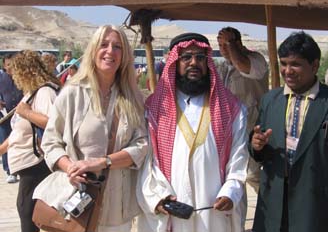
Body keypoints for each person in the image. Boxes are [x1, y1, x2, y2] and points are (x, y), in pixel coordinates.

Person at [33, 25, 148, 232]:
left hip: (117, 207)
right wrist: (70, 167)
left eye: (117, 47)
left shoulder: (133, 98)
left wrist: (103, 162)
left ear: (124, 55)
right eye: (104, 45)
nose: (110, 51)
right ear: (93, 50)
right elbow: (50, 141)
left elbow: (142, 145)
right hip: (76, 200)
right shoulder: (72, 94)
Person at [136, 33, 249, 232]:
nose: (193, 62)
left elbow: (239, 156)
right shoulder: (155, 108)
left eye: (200, 57)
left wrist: (230, 191)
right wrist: (159, 197)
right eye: (186, 57)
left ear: (208, 63)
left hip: (213, 210)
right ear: (175, 63)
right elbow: (148, 162)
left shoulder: (231, 108)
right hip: (173, 207)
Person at [250, 31, 328, 232]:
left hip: (317, 208)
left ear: (315, 65)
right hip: (274, 206)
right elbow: (261, 152)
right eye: (283, 64)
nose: (287, 71)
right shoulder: (270, 100)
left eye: (295, 64)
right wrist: (256, 145)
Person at [0, 50, 61, 232]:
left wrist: (26, 112)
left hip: (36, 163)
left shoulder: (44, 92)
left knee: (27, 211)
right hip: (25, 164)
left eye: (15, 72)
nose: (13, 77)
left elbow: (54, 123)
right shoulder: (30, 94)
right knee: (26, 209)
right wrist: (2, 149)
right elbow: (19, 131)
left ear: (26, 71)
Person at [217, 26, 269, 230]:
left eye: (227, 44)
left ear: (238, 43)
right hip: (230, 133)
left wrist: (232, 48)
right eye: (220, 45)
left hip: (253, 130)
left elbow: (244, 66)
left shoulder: (255, 60)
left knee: (253, 176)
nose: (223, 49)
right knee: (236, 179)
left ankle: (276, 210)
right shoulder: (223, 67)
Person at [0, 53, 23, 183]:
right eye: (8, 65)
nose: (11, 67)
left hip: (20, 117)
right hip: (4, 116)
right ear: (4, 65)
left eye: (13, 64)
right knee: (5, 142)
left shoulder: (21, 77)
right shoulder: (0, 78)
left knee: (18, 142)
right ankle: (10, 170)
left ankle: (18, 168)